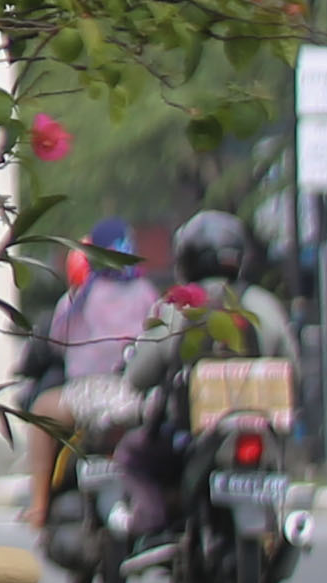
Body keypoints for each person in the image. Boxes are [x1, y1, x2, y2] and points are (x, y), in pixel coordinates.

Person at [116, 206, 289, 538]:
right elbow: (291, 367)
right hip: (263, 429)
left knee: (132, 455)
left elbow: (138, 376)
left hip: (190, 438)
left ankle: (151, 520)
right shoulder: (265, 306)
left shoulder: (178, 308)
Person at [25, 223, 152, 525]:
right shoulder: (146, 292)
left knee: (40, 413)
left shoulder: (82, 295)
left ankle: (38, 506)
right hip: (133, 396)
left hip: (88, 395)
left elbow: (56, 339)